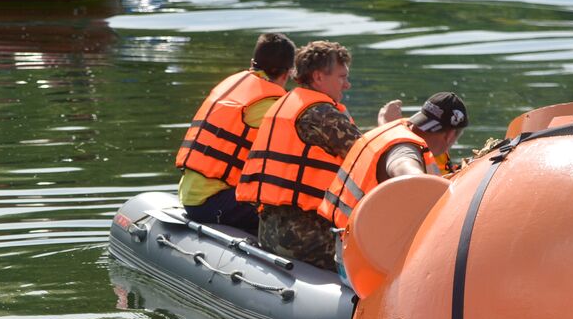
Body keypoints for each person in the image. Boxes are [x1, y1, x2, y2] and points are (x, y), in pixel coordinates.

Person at [236, 40, 365, 270]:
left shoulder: (284, 103)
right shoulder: (323, 114)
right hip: (307, 240)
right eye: (341, 77)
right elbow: (368, 158)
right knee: (385, 252)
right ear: (318, 77)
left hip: (268, 232)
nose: (347, 85)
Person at [176, 33, 296, 233]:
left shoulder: (232, 85)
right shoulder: (270, 106)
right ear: (287, 73)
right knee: (293, 218)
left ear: (252, 63)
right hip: (214, 202)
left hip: (191, 195)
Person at [318, 92, 469, 235]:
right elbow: (407, 170)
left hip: (347, 238)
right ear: (450, 136)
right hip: (363, 252)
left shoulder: (395, 130)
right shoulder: (405, 151)